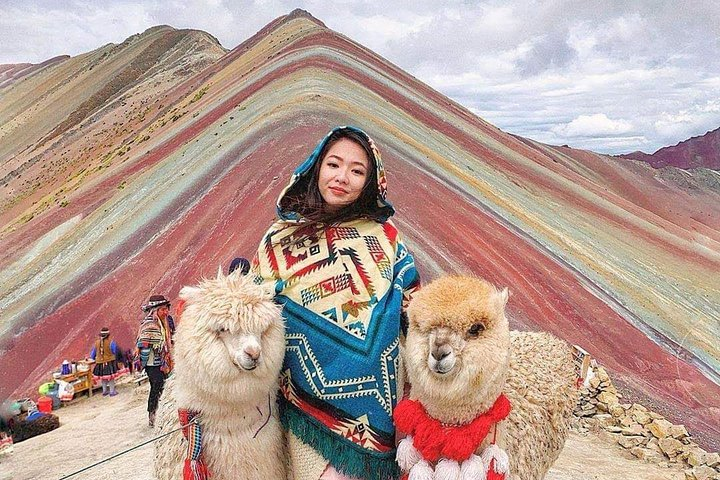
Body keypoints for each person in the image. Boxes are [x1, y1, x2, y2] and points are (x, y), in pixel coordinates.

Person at [252, 126, 420, 480]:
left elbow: (416, 307)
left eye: (357, 171)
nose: (342, 177)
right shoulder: (277, 240)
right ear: (316, 167)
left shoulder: (387, 240)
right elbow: (254, 308)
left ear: (371, 182)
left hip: (380, 411)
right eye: (334, 164)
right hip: (299, 407)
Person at [136, 294, 174, 427]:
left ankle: (162, 412)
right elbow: (144, 342)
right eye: (163, 309)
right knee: (156, 386)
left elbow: (169, 339)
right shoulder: (149, 324)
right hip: (152, 363)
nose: (166, 312)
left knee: (165, 386)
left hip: (164, 361)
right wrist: (158, 344)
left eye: (166, 309)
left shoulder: (166, 323)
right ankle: (152, 413)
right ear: (155, 310)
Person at [89, 327, 121, 396]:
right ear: (108, 335)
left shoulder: (96, 343)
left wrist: (96, 358)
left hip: (100, 363)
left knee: (103, 377)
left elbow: (92, 354)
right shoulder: (111, 342)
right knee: (111, 378)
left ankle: (104, 391)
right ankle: (112, 391)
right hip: (109, 362)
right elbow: (115, 351)